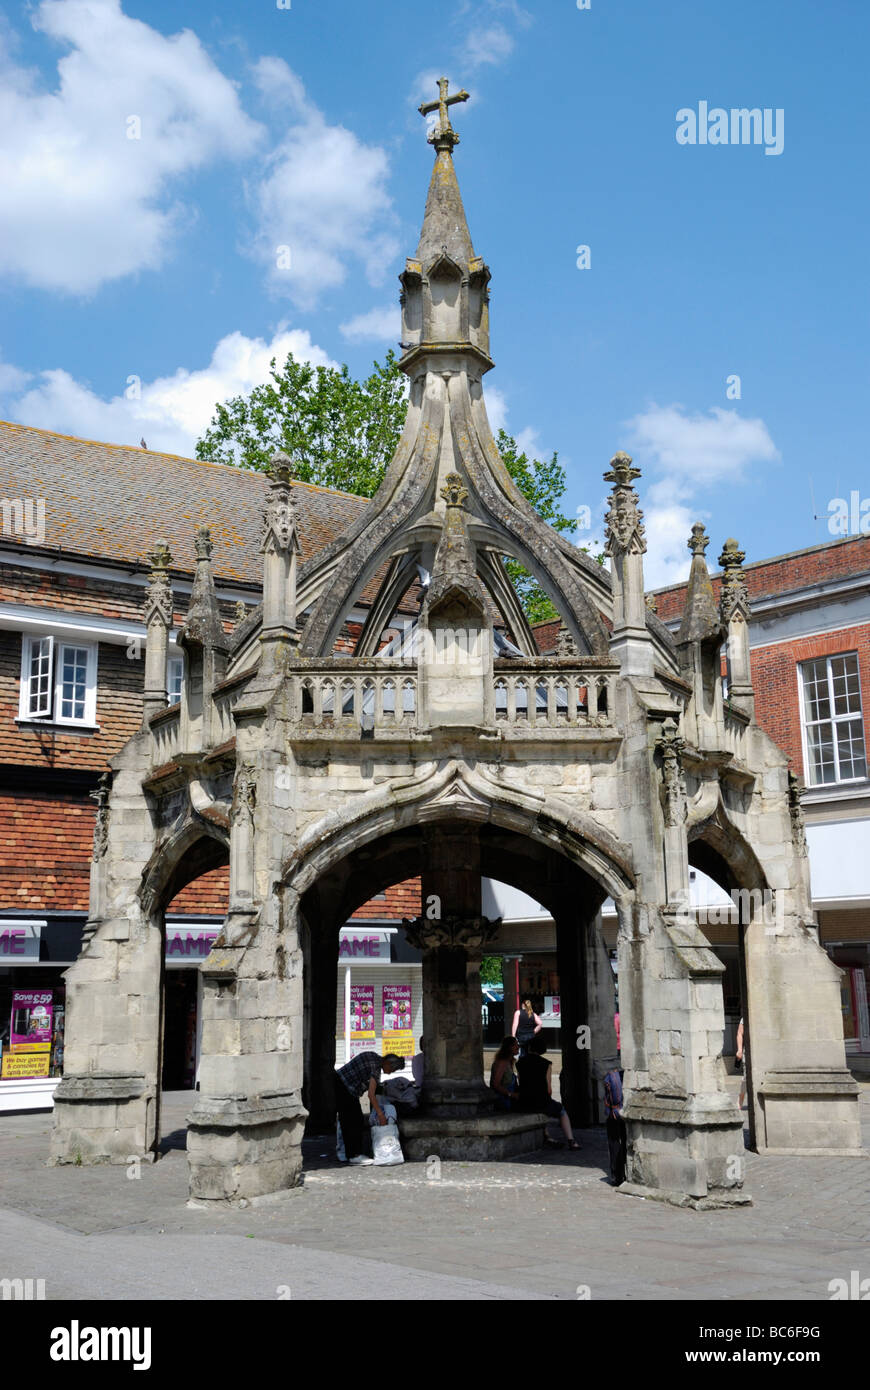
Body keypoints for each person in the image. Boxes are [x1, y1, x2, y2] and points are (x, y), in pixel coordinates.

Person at [334, 1051, 405, 1165]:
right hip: (345, 1086)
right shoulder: (376, 1067)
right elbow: (371, 1095)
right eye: (392, 1070)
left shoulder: (373, 1057)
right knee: (355, 1120)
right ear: (387, 1063)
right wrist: (380, 1114)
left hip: (341, 1081)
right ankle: (354, 1155)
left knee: (345, 1119)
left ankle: (343, 1152)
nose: (390, 1073)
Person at [517, 1035, 580, 1149]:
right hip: (541, 1101)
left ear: (529, 1048)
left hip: (524, 1101)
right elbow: (549, 1089)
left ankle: (547, 1136)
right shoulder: (546, 1063)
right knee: (561, 1111)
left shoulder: (520, 1063)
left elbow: (521, 1083)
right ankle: (571, 1141)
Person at [603, 1067, 626, 1186]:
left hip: (613, 1113)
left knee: (614, 1143)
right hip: (625, 1112)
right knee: (626, 1141)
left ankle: (616, 1176)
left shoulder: (611, 1075)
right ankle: (626, 1173)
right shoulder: (625, 1075)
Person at [489, 1035, 520, 1110]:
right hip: (503, 1101)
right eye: (515, 1045)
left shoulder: (509, 1062)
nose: (518, 1047)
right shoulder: (502, 1063)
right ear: (509, 1047)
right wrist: (511, 1094)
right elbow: (495, 1085)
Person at [736, 1017, 746, 1109]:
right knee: (746, 1078)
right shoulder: (744, 1018)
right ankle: (739, 1102)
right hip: (748, 1052)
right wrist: (739, 1050)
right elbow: (740, 1033)